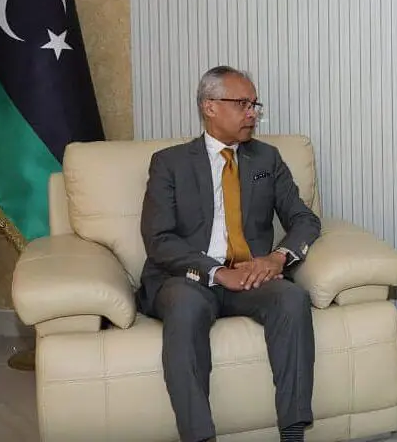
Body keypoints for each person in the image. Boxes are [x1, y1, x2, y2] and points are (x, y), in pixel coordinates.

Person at [136, 65, 322, 442]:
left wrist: (277, 258)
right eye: (242, 104)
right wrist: (217, 273)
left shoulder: (266, 159)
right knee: (185, 308)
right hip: (187, 278)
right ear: (210, 107)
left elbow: (304, 219)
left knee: (291, 298)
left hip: (251, 276)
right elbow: (158, 239)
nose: (252, 113)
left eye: (255, 105)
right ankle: (199, 436)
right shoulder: (169, 163)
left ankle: (293, 433)